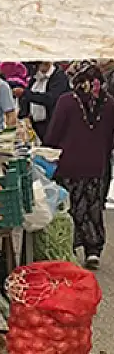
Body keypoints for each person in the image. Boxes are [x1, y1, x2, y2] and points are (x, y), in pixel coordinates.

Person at [43, 61, 114, 269]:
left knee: (70, 206)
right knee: (93, 207)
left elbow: (54, 133)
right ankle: (93, 250)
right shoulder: (109, 103)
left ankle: (70, 247)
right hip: (97, 165)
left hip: (68, 164)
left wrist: (48, 150)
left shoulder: (66, 101)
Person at [21, 61, 70, 142]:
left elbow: (50, 99)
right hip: (34, 124)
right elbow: (26, 97)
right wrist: (24, 115)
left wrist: (25, 94)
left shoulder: (59, 77)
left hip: (51, 124)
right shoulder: (35, 77)